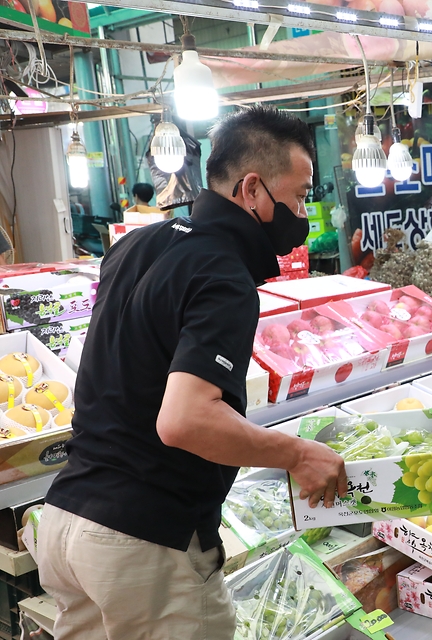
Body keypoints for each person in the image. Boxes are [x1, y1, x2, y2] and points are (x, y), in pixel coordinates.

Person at [38, 106, 347, 639]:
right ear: (252, 189)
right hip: (143, 546)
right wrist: (297, 454)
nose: (303, 213)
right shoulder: (223, 274)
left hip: (67, 521)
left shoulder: (137, 243)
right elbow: (184, 421)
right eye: (298, 196)